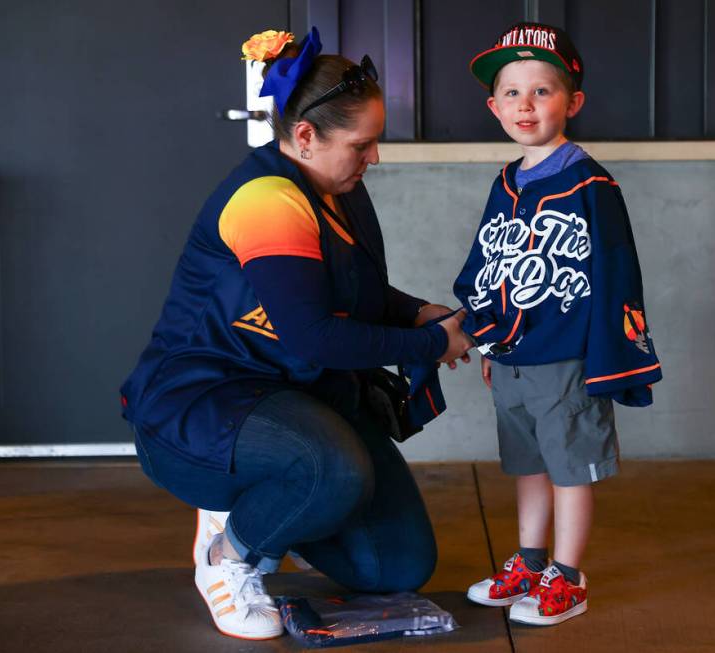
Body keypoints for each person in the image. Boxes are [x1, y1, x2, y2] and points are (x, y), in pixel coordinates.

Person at [120, 27, 472, 641]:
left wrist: (421, 313)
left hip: (301, 397)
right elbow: (314, 336)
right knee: (331, 472)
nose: (375, 158)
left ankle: (277, 508)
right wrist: (433, 346)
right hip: (209, 405)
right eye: (362, 145)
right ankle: (228, 554)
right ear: (304, 136)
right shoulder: (268, 198)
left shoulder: (339, 187)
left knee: (399, 568)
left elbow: (352, 296)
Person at [454, 22, 662, 626]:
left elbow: (619, 272)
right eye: (512, 92)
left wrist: (613, 355)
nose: (526, 105)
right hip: (516, 354)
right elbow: (490, 262)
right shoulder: (505, 180)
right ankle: (529, 561)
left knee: (570, 468)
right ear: (494, 106)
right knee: (528, 463)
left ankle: (567, 578)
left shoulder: (592, 182)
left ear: (573, 102)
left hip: (568, 355)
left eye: (542, 91)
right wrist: (489, 337)